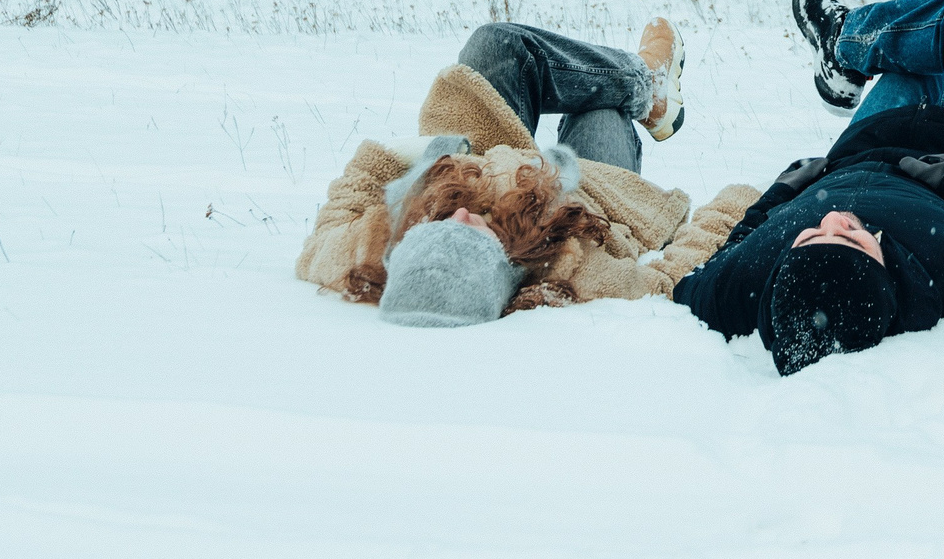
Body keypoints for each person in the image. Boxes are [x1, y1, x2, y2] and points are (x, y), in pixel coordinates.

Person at [672, 0, 944, 374]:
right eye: (854, 237)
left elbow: (705, 273)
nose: (833, 219)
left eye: (810, 235)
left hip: (865, 144)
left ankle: (842, 47)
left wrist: (780, 192)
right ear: (885, 270)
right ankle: (844, 38)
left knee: (915, 54)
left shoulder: (737, 286)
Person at [294, 16, 758, 327]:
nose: (460, 218)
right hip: (593, 189)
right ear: (501, 267)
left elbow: (329, 227)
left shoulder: (374, 249)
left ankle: (644, 84)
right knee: (600, 112)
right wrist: (738, 206)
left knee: (494, 44)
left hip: (472, 154)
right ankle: (641, 87)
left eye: (434, 230)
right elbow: (668, 283)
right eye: (470, 234)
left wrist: (399, 156)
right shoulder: (568, 271)